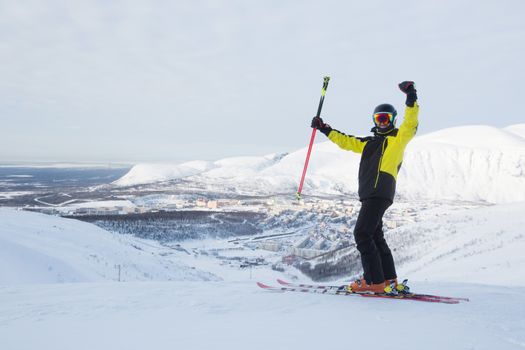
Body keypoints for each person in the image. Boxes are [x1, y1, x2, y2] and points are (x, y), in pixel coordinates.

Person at [311, 81, 419, 294]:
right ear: (374, 121)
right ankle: (388, 280)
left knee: (361, 233)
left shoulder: (398, 139)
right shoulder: (368, 143)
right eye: (379, 118)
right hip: (371, 194)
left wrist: (411, 96)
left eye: (386, 118)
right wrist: (324, 129)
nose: (382, 122)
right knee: (375, 236)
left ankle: (373, 282)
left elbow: (411, 123)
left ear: (392, 120)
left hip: (380, 192)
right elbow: (346, 141)